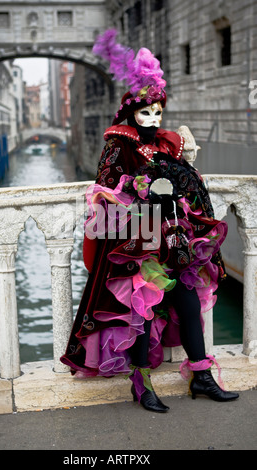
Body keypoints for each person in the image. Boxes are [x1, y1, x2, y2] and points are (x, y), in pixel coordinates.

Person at [60, 30, 239, 412]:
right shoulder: (118, 145)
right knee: (140, 311)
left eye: (158, 112)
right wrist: (140, 190)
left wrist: (177, 192)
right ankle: (141, 385)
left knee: (188, 303)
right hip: (139, 238)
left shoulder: (164, 143)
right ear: (130, 112)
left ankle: (202, 376)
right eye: (145, 112)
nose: (153, 118)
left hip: (173, 236)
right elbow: (104, 191)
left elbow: (185, 181)